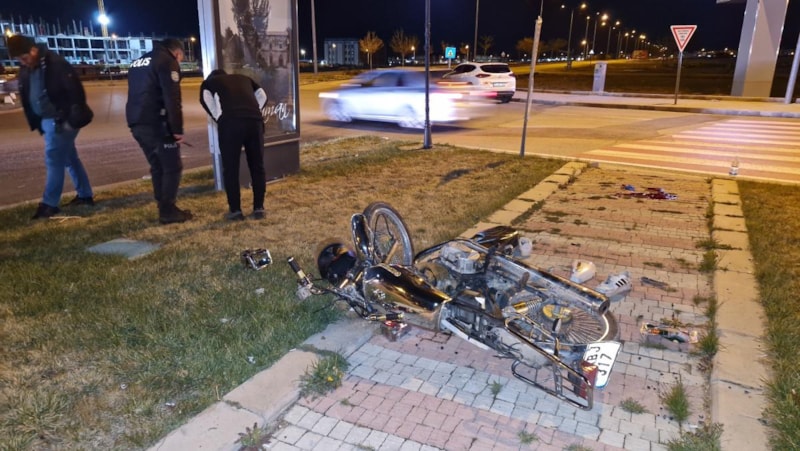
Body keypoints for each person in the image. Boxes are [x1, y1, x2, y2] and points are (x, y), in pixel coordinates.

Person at [9, 35, 95, 219]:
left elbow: (75, 91)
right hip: (48, 120)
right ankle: (85, 195)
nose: (22, 62)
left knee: (54, 159)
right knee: (69, 158)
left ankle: (49, 204)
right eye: (19, 60)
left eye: (24, 57)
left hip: (61, 120)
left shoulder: (55, 63)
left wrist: (70, 120)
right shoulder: (29, 66)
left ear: (33, 50)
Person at [126, 38, 192, 224]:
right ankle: (168, 210)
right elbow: (172, 98)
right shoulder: (167, 61)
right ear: (177, 53)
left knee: (157, 165)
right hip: (157, 122)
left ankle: (163, 206)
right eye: (180, 59)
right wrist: (177, 129)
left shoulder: (138, 62)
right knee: (172, 166)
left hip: (136, 121)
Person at [199, 69, 268, 220]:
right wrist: (255, 110)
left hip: (230, 125)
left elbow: (206, 100)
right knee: (257, 166)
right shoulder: (245, 78)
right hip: (254, 122)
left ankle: (236, 211)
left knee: (231, 168)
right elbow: (262, 94)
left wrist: (220, 118)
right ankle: (259, 208)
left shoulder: (209, 83)